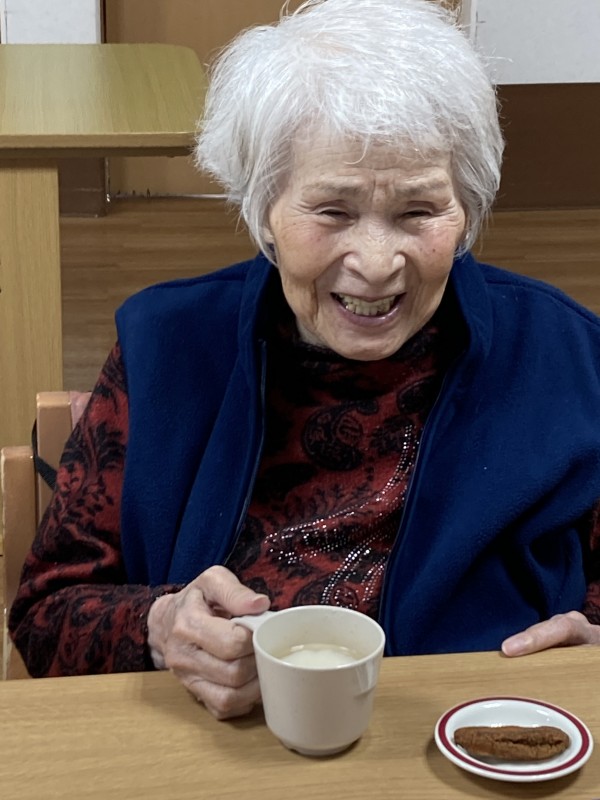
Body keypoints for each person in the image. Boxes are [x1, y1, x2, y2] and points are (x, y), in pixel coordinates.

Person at [9, 0, 600, 720]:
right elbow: (46, 613)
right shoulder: (168, 346)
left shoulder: (570, 358)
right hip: (219, 748)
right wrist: (160, 627)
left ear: (466, 211)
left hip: (475, 743)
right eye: (332, 211)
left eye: (418, 212)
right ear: (263, 208)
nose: (377, 263)